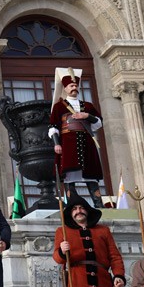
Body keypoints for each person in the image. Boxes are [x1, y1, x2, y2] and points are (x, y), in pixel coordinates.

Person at [48, 68, 104, 208]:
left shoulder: (88, 106)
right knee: (69, 176)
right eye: (71, 86)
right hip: (68, 145)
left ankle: (99, 205)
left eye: (75, 86)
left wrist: (87, 116)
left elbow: (98, 123)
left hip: (87, 145)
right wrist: (56, 144)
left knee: (90, 175)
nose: (74, 88)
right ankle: (72, 205)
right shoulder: (59, 107)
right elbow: (53, 127)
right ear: (65, 88)